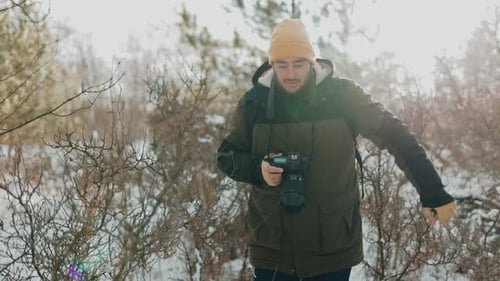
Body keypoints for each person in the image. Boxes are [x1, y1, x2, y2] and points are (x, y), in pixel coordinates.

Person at [216, 18, 457, 281]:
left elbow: (396, 135)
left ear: (311, 61)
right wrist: (257, 169)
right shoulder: (253, 102)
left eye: (299, 63)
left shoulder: (343, 96)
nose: (291, 74)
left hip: (332, 246)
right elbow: (227, 156)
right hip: (272, 248)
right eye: (282, 65)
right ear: (272, 64)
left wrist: (432, 192)